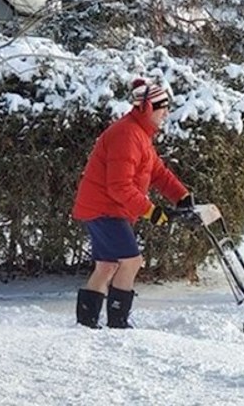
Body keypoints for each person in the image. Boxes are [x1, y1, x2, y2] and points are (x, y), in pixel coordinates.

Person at [72, 78, 195, 329]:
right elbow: (118, 187)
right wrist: (150, 211)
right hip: (104, 208)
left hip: (107, 208)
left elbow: (157, 172)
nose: (166, 114)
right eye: (163, 108)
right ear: (149, 109)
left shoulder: (139, 134)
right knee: (131, 261)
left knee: (107, 265)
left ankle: (86, 323)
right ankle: (118, 323)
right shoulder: (127, 134)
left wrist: (181, 196)